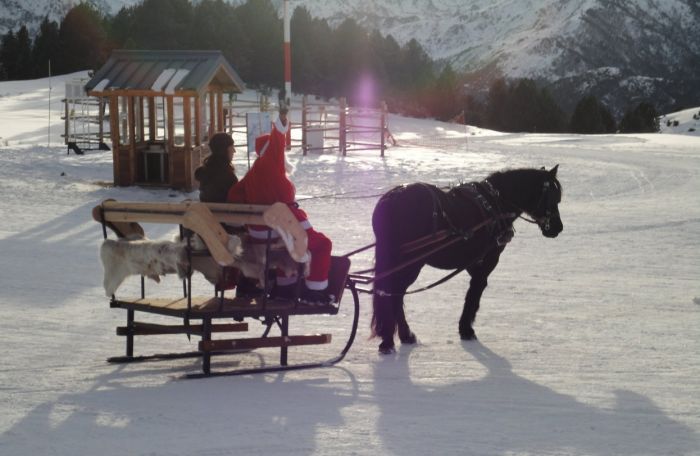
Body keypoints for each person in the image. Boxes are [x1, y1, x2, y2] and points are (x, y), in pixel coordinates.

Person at [227, 107, 332, 303]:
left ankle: (285, 289)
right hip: (278, 226)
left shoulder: (253, 172)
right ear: (273, 152)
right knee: (323, 244)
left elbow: (234, 194)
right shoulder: (271, 164)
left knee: (288, 241)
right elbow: (277, 141)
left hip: (260, 232)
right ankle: (316, 289)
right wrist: (282, 122)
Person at [194, 132, 238, 203]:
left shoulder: (204, 172)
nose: (234, 151)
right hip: (225, 213)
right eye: (232, 147)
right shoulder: (228, 177)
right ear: (225, 150)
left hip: (206, 213)